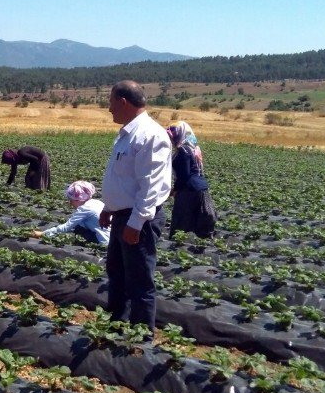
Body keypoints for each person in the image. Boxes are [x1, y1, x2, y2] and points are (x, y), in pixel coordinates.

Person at [98, 80, 172, 331]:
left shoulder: (150, 135)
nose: (109, 109)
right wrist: (109, 207)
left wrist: (136, 223)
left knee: (139, 280)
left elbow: (151, 186)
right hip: (122, 216)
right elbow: (123, 179)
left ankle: (141, 340)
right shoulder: (127, 134)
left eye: (111, 102)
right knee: (117, 274)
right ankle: (117, 326)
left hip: (137, 219)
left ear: (123, 102)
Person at [166, 121, 216, 239]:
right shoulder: (193, 148)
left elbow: (184, 174)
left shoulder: (183, 150)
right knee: (201, 219)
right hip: (201, 188)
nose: (171, 139)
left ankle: (177, 244)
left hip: (189, 190)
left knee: (181, 221)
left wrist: (175, 190)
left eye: (172, 135)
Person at [31, 181, 110, 245]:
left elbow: (66, 227)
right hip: (112, 239)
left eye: (71, 200)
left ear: (78, 199)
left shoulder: (85, 209)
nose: (70, 204)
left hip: (104, 241)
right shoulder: (97, 202)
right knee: (78, 226)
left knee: (77, 228)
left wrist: (43, 234)